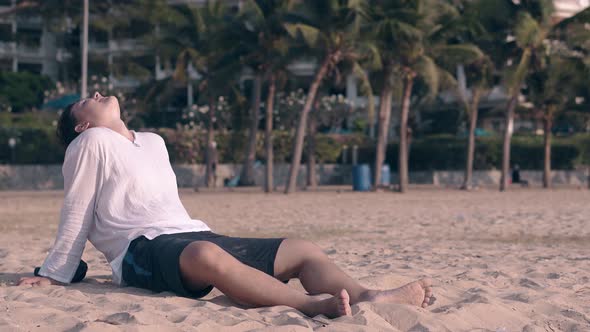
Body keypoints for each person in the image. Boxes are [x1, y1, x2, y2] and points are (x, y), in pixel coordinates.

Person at [17, 92, 435, 318]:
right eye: (84, 100)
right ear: (82, 124)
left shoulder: (153, 142)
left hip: (189, 234)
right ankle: (311, 306)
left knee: (301, 249)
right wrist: (56, 274)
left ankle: (368, 296)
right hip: (140, 251)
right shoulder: (89, 143)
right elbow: (77, 208)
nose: (94, 92)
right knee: (205, 255)